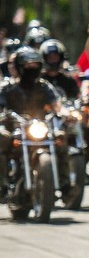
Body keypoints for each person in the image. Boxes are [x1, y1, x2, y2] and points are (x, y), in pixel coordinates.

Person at [0, 47, 63, 195]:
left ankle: (66, 179)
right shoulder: (7, 87)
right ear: (19, 67)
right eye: (28, 66)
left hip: (38, 126)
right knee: (2, 138)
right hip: (13, 127)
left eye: (35, 65)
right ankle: (3, 181)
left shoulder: (43, 85)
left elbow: (56, 104)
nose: (32, 69)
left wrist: (65, 113)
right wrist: (5, 115)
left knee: (61, 137)